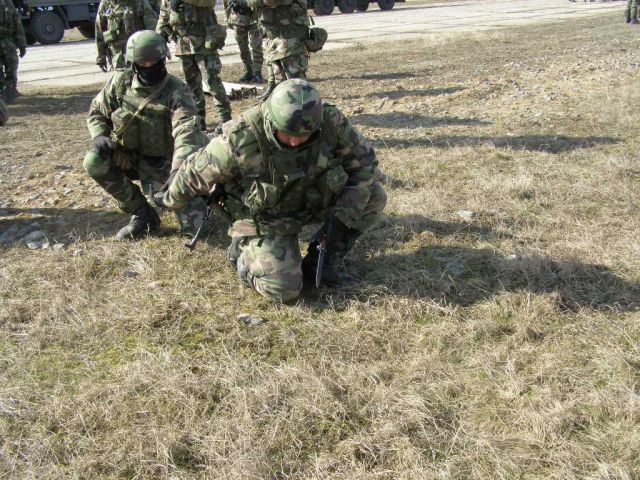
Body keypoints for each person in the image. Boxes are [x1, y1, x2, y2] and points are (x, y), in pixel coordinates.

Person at [156, 79, 387, 303]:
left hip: (310, 199)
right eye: (287, 134)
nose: (295, 142)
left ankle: (322, 260)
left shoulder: (330, 122)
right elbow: (194, 173)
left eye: (304, 136)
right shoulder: (240, 137)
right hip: (265, 217)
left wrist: (340, 220)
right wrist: (168, 199)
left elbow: (364, 165)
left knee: (373, 196)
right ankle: (243, 254)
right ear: (272, 121)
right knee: (283, 290)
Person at [84, 30, 208, 241]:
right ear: (133, 64)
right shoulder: (120, 83)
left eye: (154, 62)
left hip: (165, 162)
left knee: (196, 229)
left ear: (163, 60)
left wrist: (177, 170)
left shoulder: (178, 92)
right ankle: (142, 214)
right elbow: (97, 110)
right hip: (128, 157)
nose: (149, 67)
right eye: (143, 64)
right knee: (94, 161)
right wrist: (99, 135)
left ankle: (200, 195)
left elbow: (186, 133)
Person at [156, 0, 232, 130]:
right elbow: (163, 16)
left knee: (212, 82)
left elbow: (209, 3)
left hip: (204, 44)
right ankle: (199, 122)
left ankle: (226, 119)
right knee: (192, 86)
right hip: (183, 46)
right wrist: (160, 37)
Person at [229, 0, 314, 99]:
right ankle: (275, 92)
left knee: (296, 83)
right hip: (278, 34)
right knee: (278, 76)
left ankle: (304, 104)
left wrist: (245, 3)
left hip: (289, 35)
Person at [95, 0, 158, 72]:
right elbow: (99, 31)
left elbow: (151, 29)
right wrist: (101, 57)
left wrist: (156, 53)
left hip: (139, 56)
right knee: (121, 78)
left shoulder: (140, 2)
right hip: (117, 57)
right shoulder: (105, 4)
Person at [223, 0, 264, 83]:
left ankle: (257, 72)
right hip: (237, 19)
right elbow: (226, 3)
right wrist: (227, 19)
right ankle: (248, 71)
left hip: (254, 18)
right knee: (243, 48)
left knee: (256, 46)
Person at [0, 0, 26, 103]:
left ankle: (11, 91)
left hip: (7, 41)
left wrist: (22, 44)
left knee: (12, 65)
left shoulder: (8, 3)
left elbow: (17, 24)